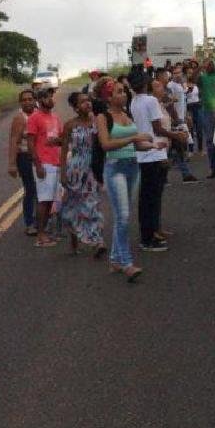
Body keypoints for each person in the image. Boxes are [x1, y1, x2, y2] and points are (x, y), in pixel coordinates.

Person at [94, 77, 152, 281]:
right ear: (108, 97)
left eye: (124, 91)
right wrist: (134, 138)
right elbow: (106, 145)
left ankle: (115, 260)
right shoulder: (103, 117)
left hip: (132, 166)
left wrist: (153, 145)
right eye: (118, 91)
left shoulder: (126, 115)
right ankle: (126, 263)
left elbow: (136, 145)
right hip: (115, 168)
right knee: (123, 216)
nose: (124, 94)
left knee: (124, 216)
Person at [130, 73, 174, 251]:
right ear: (146, 84)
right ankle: (148, 238)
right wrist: (175, 136)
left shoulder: (134, 102)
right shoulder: (150, 101)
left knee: (147, 198)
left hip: (144, 152)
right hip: (154, 151)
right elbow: (157, 127)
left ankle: (151, 231)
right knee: (153, 197)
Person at [59, 92, 106, 258]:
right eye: (83, 102)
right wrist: (63, 173)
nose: (87, 104)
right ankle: (74, 241)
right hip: (75, 169)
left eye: (88, 100)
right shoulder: (70, 125)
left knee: (92, 204)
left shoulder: (97, 122)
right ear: (75, 107)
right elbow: (64, 149)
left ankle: (97, 241)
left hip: (92, 168)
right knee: (71, 206)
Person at [26, 89, 64, 247]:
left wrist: (58, 141)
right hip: (44, 163)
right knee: (43, 200)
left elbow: (62, 138)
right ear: (40, 100)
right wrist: (38, 164)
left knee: (51, 201)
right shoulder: (34, 118)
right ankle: (40, 236)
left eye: (51, 96)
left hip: (55, 162)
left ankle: (47, 232)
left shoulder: (55, 118)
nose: (51, 99)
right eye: (47, 97)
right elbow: (30, 143)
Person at [7, 89, 39, 235]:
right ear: (20, 103)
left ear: (34, 100)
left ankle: (42, 220)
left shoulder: (39, 114)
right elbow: (14, 140)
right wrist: (12, 164)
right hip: (25, 157)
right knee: (31, 189)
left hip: (40, 157)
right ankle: (29, 222)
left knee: (42, 189)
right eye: (24, 100)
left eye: (30, 99)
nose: (27, 102)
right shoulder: (20, 118)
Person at [160, 67, 197, 183]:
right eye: (166, 75)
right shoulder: (166, 88)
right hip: (166, 123)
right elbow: (165, 106)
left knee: (177, 147)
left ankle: (185, 174)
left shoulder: (171, 88)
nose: (168, 77)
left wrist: (183, 116)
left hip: (176, 120)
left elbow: (180, 103)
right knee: (170, 149)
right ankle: (167, 177)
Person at [185, 71, 203, 155]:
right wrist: (188, 90)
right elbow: (183, 97)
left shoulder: (197, 86)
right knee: (191, 128)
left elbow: (200, 96)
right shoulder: (184, 86)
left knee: (199, 128)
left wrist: (201, 101)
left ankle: (200, 149)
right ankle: (191, 149)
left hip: (197, 106)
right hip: (189, 107)